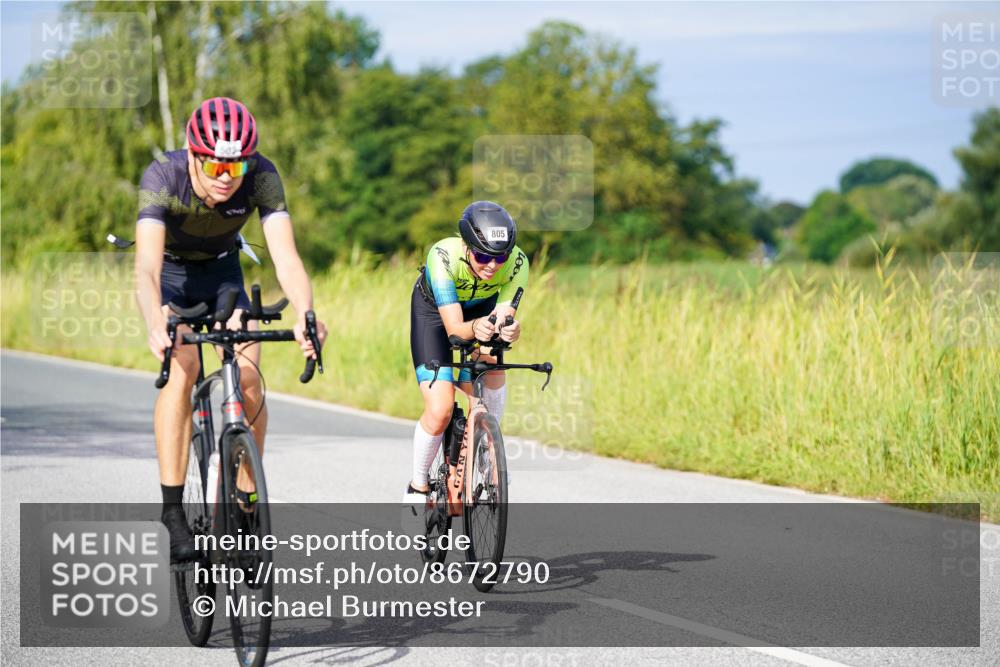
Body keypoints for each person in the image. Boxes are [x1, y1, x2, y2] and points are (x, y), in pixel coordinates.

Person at [134, 97, 327, 561]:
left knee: (248, 380)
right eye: (215, 166)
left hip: (224, 276)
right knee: (182, 369)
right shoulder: (162, 176)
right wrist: (154, 318)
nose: (226, 178)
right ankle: (173, 510)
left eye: (235, 168)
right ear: (192, 152)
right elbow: (145, 269)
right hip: (174, 279)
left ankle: (244, 506)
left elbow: (286, 257)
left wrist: (306, 312)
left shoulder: (262, 175)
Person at [405, 201, 528, 502]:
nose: (492, 266)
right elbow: (455, 329)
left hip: (481, 311)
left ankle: (488, 445)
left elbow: (502, 316)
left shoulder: (518, 263)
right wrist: (477, 329)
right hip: (436, 316)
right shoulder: (443, 257)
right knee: (441, 409)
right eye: (483, 255)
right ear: (465, 245)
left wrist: (508, 329)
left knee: (492, 360)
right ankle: (418, 484)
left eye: (500, 257)